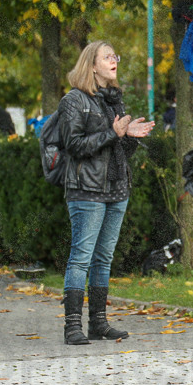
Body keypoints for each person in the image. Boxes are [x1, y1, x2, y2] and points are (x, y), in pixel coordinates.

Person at [58, 41, 154, 345]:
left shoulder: (114, 99)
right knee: (81, 258)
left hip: (116, 188)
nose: (114, 61)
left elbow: (120, 151)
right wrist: (112, 133)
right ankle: (72, 326)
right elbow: (74, 145)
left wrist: (130, 137)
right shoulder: (74, 100)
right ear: (92, 65)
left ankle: (98, 323)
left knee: (103, 258)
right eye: (107, 57)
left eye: (115, 56)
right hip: (87, 189)